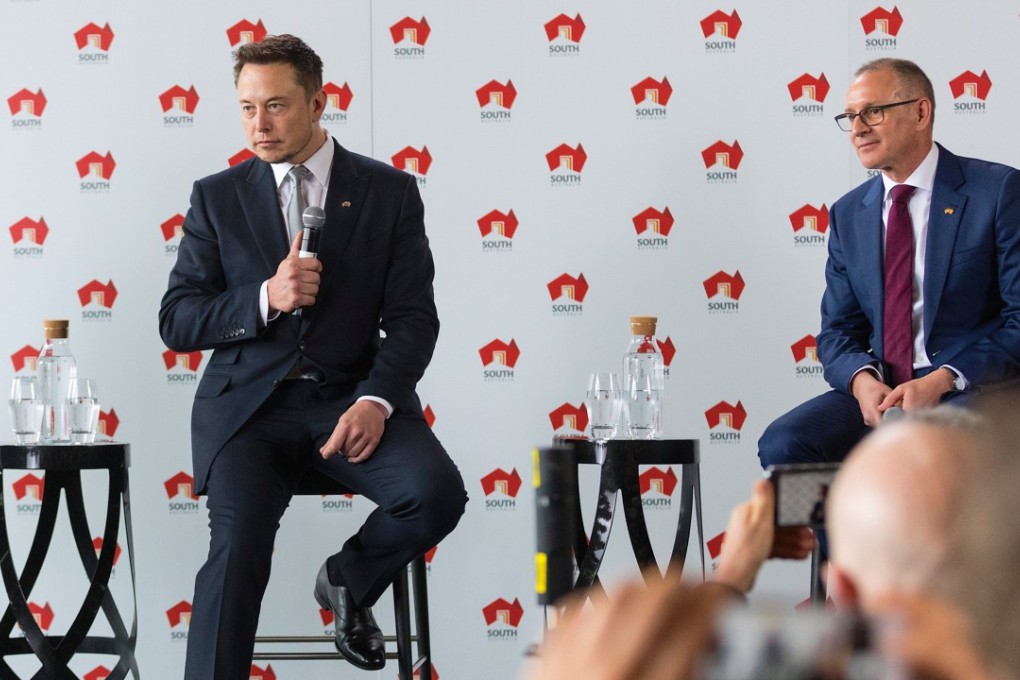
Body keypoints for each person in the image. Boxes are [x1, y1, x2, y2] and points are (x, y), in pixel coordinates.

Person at [158, 34, 467, 679]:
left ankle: (347, 580)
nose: (259, 124)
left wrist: (377, 399)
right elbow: (178, 320)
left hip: (352, 399)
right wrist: (264, 297)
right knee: (237, 549)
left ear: (319, 101)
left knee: (434, 494)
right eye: (247, 108)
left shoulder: (388, 192)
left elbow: (414, 318)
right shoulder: (217, 196)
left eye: (275, 106)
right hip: (249, 411)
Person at [758, 57, 1020, 471]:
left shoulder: (998, 191)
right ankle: (842, 540)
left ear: (921, 112)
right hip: (883, 392)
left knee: (942, 455)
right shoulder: (849, 214)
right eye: (850, 116)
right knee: (786, 444)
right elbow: (837, 332)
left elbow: (1018, 320)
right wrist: (862, 383)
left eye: (873, 112)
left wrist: (943, 379)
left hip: (970, 390)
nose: (858, 127)